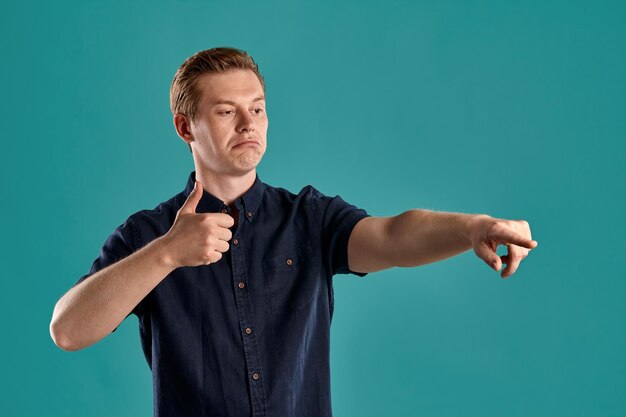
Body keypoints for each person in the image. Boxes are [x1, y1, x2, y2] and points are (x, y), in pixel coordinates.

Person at [49, 47, 538, 417]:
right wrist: (166, 255)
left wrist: (473, 227)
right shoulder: (149, 234)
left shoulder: (309, 217)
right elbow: (67, 329)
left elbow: (392, 236)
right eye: (226, 111)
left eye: (257, 108)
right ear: (185, 127)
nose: (248, 123)